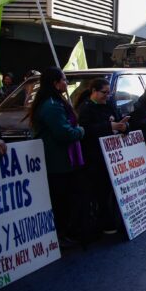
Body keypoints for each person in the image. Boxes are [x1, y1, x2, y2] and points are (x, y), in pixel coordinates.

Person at [27, 67, 85, 245]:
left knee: (65, 198)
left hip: (62, 159)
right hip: (58, 161)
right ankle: (61, 235)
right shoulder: (51, 106)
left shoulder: (55, 102)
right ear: (55, 83)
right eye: (64, 79)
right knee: (61, 200)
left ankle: (65, 232)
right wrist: (81, 131)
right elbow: (64, 133)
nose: (66, 83)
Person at [77, 78, 129, 234]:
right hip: (95, 156)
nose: (107, 96)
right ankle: (105, 223)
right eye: (104, 93)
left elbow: (121, 120)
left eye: (109, 93)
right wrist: (109, 126)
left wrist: (124, 126)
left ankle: (116, 219)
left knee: (112, 189)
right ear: (93, 91)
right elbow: (85, 130)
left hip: (114, 156)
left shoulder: (110, 105)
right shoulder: (86, 108)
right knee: (101, 190)